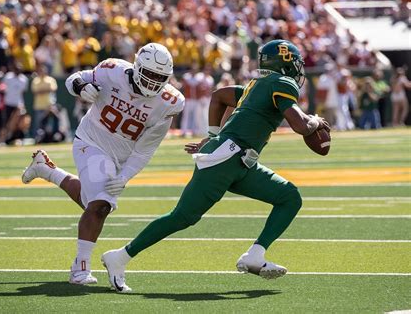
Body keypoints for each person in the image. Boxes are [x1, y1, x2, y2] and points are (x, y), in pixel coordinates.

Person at [101, 39, 330, 293]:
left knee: (289, 197)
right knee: (183, 217)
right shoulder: (282, 83)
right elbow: (300, 125)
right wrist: (316, 121)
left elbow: (219, 96)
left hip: (240, 161)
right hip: (227, 158)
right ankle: (120, 256)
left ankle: (255, 254)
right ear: (286, 63)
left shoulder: (258, 85)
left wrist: (212, 136)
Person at [21, 43, 184, 285]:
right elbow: (75, 78)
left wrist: (126, 175)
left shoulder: (169, 101)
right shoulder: (113, 69)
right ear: (138, 67)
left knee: (92, 202)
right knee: (101, 204)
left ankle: (47, 170)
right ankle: (80, 267)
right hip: (91, 140)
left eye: (160, 77)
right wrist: (80, 86)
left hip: (121, 155)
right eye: (149, 74)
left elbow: (146, 148)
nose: (153, 81)